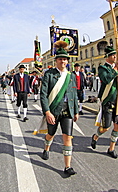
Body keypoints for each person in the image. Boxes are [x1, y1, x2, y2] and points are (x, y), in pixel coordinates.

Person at [39, 41, 79, 176]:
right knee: (51, 134)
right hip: (54, 111)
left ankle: (67, 166)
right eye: (60, 59)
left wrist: (76, 110)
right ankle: (46, 148)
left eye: (65, 59)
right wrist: (47, 112)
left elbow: (74, 93)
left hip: (67, 111)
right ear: (56, 60)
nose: (63, 61)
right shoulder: (49, 74)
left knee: (68, 137)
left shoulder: (71, 75)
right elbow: (43, 95)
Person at [91, 46, 118, 158]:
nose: (115, 57)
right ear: (107, 57)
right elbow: (106, 80)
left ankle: (111, 148)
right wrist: (115, 69)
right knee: (106, 127)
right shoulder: (102, 68)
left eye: (115, 55)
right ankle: (96, 136)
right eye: (113, 55)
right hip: (108, 100)